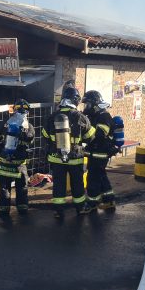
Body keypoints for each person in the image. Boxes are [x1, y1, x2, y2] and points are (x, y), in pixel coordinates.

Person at [42, 84, 95, 218]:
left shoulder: (52, 116)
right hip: (75, 158)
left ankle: (58, 211)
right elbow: (90, 137)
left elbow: (45, 135)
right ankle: (81, 208)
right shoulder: (80, 116)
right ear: (75, 101)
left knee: (58, 184)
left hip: (56, 157)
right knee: (77, 183)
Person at [0, 99, 35, 216]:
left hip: (4, 160)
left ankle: (3, 209)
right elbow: (30, 140)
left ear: (15, 110)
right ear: (27, 112)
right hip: (19, 164)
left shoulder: (5, 122)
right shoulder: (29, 126)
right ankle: (22, 209)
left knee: (4, 186)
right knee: (22, 186)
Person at [82, 90, 118, 213]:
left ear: (95, 104)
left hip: (100, 153)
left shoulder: (104, 116)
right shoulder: (95, 116)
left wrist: (84, 131)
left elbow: (100, 135)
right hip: (96, 152)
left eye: (87, 104)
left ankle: (92, 203)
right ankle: (109, 200)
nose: (86, 107)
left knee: (93, 178)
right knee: (101, 176)